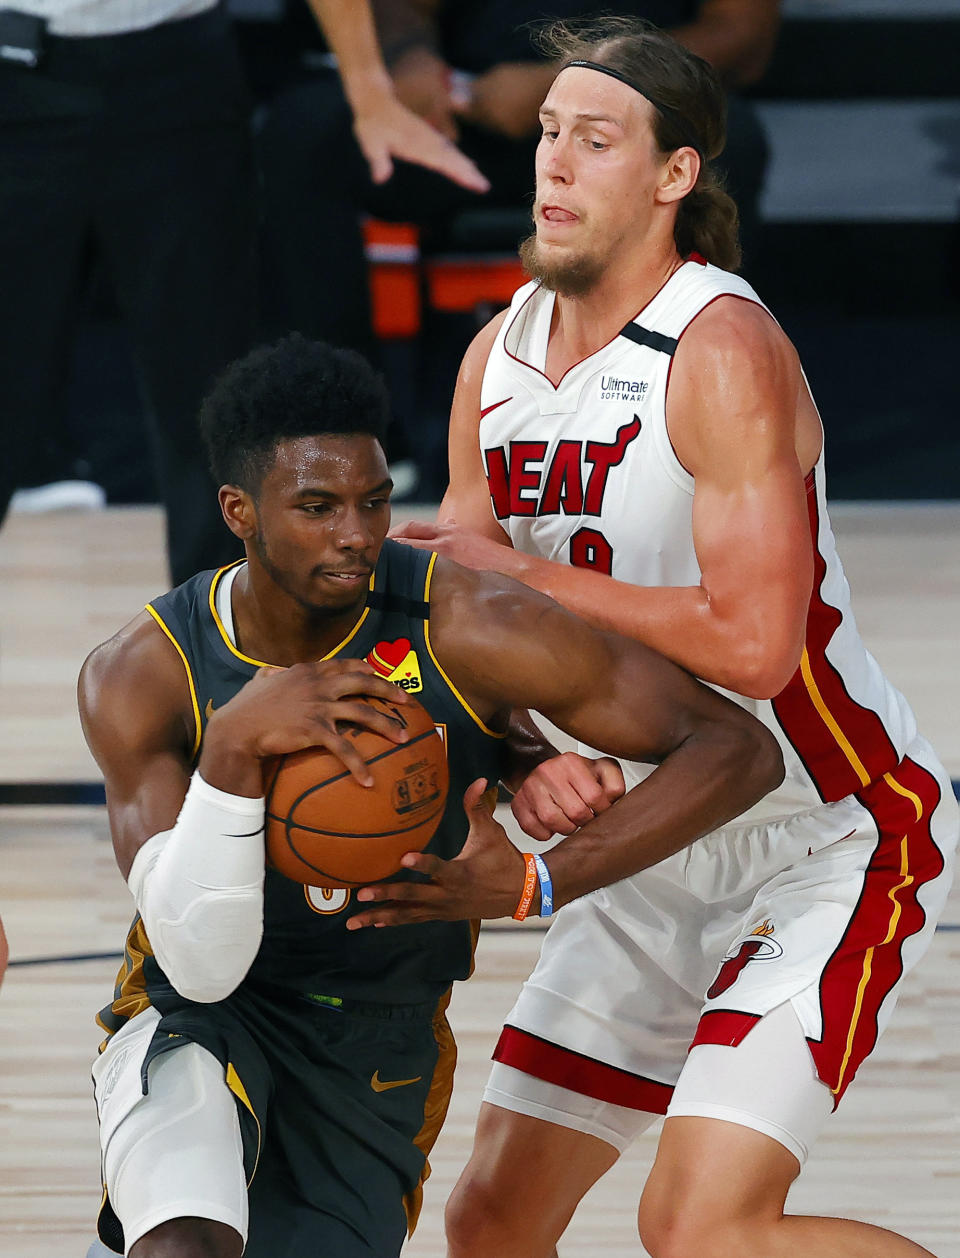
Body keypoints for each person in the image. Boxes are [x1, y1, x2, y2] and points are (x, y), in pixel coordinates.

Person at [365, 17, 960, 1258]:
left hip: (825, 837)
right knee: (488, 1225)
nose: (554, 167)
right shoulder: (500, 351)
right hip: (646, 840)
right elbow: (477, 621)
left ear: (675, 176)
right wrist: (525, 748)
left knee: (701, 1229)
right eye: (545, 136)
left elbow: (754, 648)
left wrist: (519, 574)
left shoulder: (722, 346)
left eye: (595, 140)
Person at [77, 333, 782, 1257]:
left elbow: (736, 751)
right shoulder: (146, 674)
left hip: (378, 1035)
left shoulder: (467, 621)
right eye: (317, 507)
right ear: (238, 510)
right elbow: (199, 962)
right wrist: (235, 753)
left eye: (374, 502)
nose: (356, 535)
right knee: (182, 1243)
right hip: (201, 1010)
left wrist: (542, 876)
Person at [0, 0, 483, 584]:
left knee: (206, 390)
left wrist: (366, 85)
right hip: (15, 66)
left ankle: (221, 649)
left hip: (174, 73)